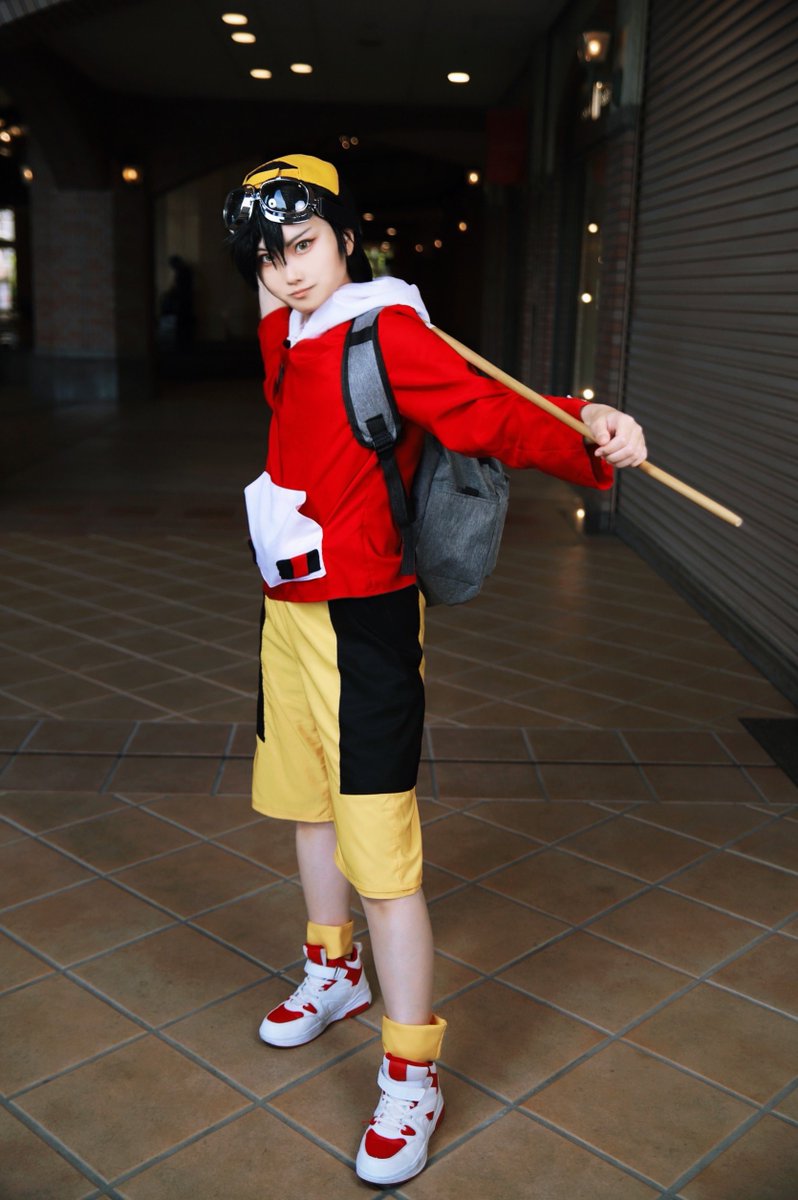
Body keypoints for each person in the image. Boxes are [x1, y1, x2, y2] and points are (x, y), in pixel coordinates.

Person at [224, 153, 646, 1187]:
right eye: (268, 258)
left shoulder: (388, 333)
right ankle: (332, 971)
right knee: (307, 808)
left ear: (347, 238)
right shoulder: (287, 328)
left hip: (365, 624)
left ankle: (413, 1073)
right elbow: (286, 332)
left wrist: (590, 424)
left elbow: (493, 411)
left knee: (382, 859)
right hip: (288, 615)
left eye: (305, 245)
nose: (287, 272)